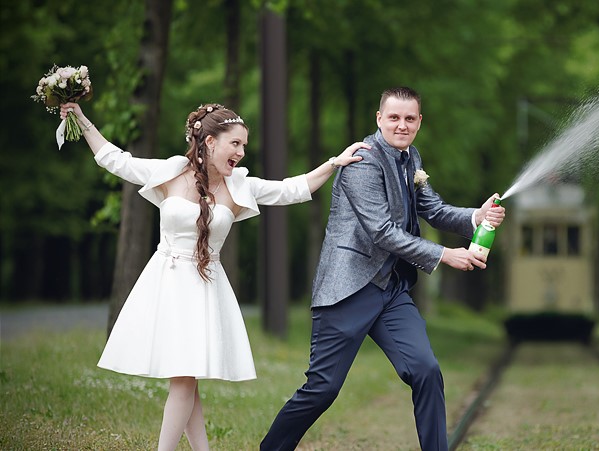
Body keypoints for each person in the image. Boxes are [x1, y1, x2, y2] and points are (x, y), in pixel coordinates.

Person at [59, 101, 369, 451]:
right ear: (209, 142)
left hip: (205, 288)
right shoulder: (172, 172)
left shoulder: (240, 186)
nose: (241, 151)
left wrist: (333, 163)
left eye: (244, 145)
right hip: (167, 283)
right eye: (235, 143)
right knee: (184, 379)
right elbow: (116, 160)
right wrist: (81, 120)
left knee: (185, 378)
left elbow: (290, 190)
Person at [260, 87, 506, 451]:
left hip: (391, 291)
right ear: (379, 119)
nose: (402, 125)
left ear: (419, 122)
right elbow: (382, 231)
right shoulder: (362, 161)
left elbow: (434, 209)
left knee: (426, 371)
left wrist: (476, 216)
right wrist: (444, 255)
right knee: (322, 389)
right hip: (348, 290)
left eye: (409, 119)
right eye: (394, 117)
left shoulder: (411, 157)